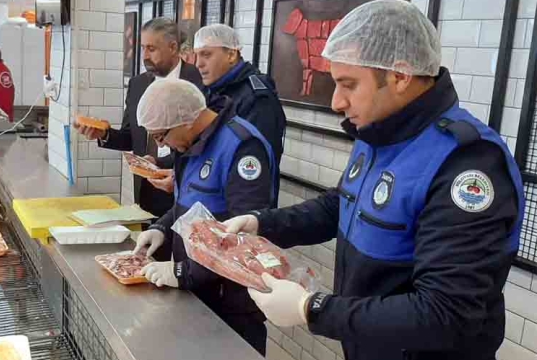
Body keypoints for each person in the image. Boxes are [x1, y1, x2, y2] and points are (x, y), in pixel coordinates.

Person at [222, 1, 525, 360]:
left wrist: (312, 308)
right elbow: (341, 204)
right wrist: (262, 223)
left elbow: (447, 313)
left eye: (348, 84)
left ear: (399, 76)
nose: (336, 101)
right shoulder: (378, 134)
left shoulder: (466, 163)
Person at [133, 78, 277, 356]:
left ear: (185, 120)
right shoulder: (187, 146)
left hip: (231, 304)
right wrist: (162, 228)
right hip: (196, 293)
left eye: (161, 136)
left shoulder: (242, 148)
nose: (161, 145)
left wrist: (183, 273)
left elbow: (244, 239)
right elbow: (187, 203)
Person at [75, 18, 202, 261]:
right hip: (148, 192)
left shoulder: (199, 81)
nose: (144, 55)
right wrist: (104, 134)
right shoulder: (138, 84)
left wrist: (172, 168)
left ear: (173, 47)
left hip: (187, 186)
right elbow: (130, 137)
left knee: (188, 268)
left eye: (151, 49)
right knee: (154, 260)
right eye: (143, 47)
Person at [194, 24, 286, 181]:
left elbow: (253, 163)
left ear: (231, 55)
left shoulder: (257, 99)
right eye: (197, 55)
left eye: (206, 55)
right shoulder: (209, 90)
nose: (198, 63)